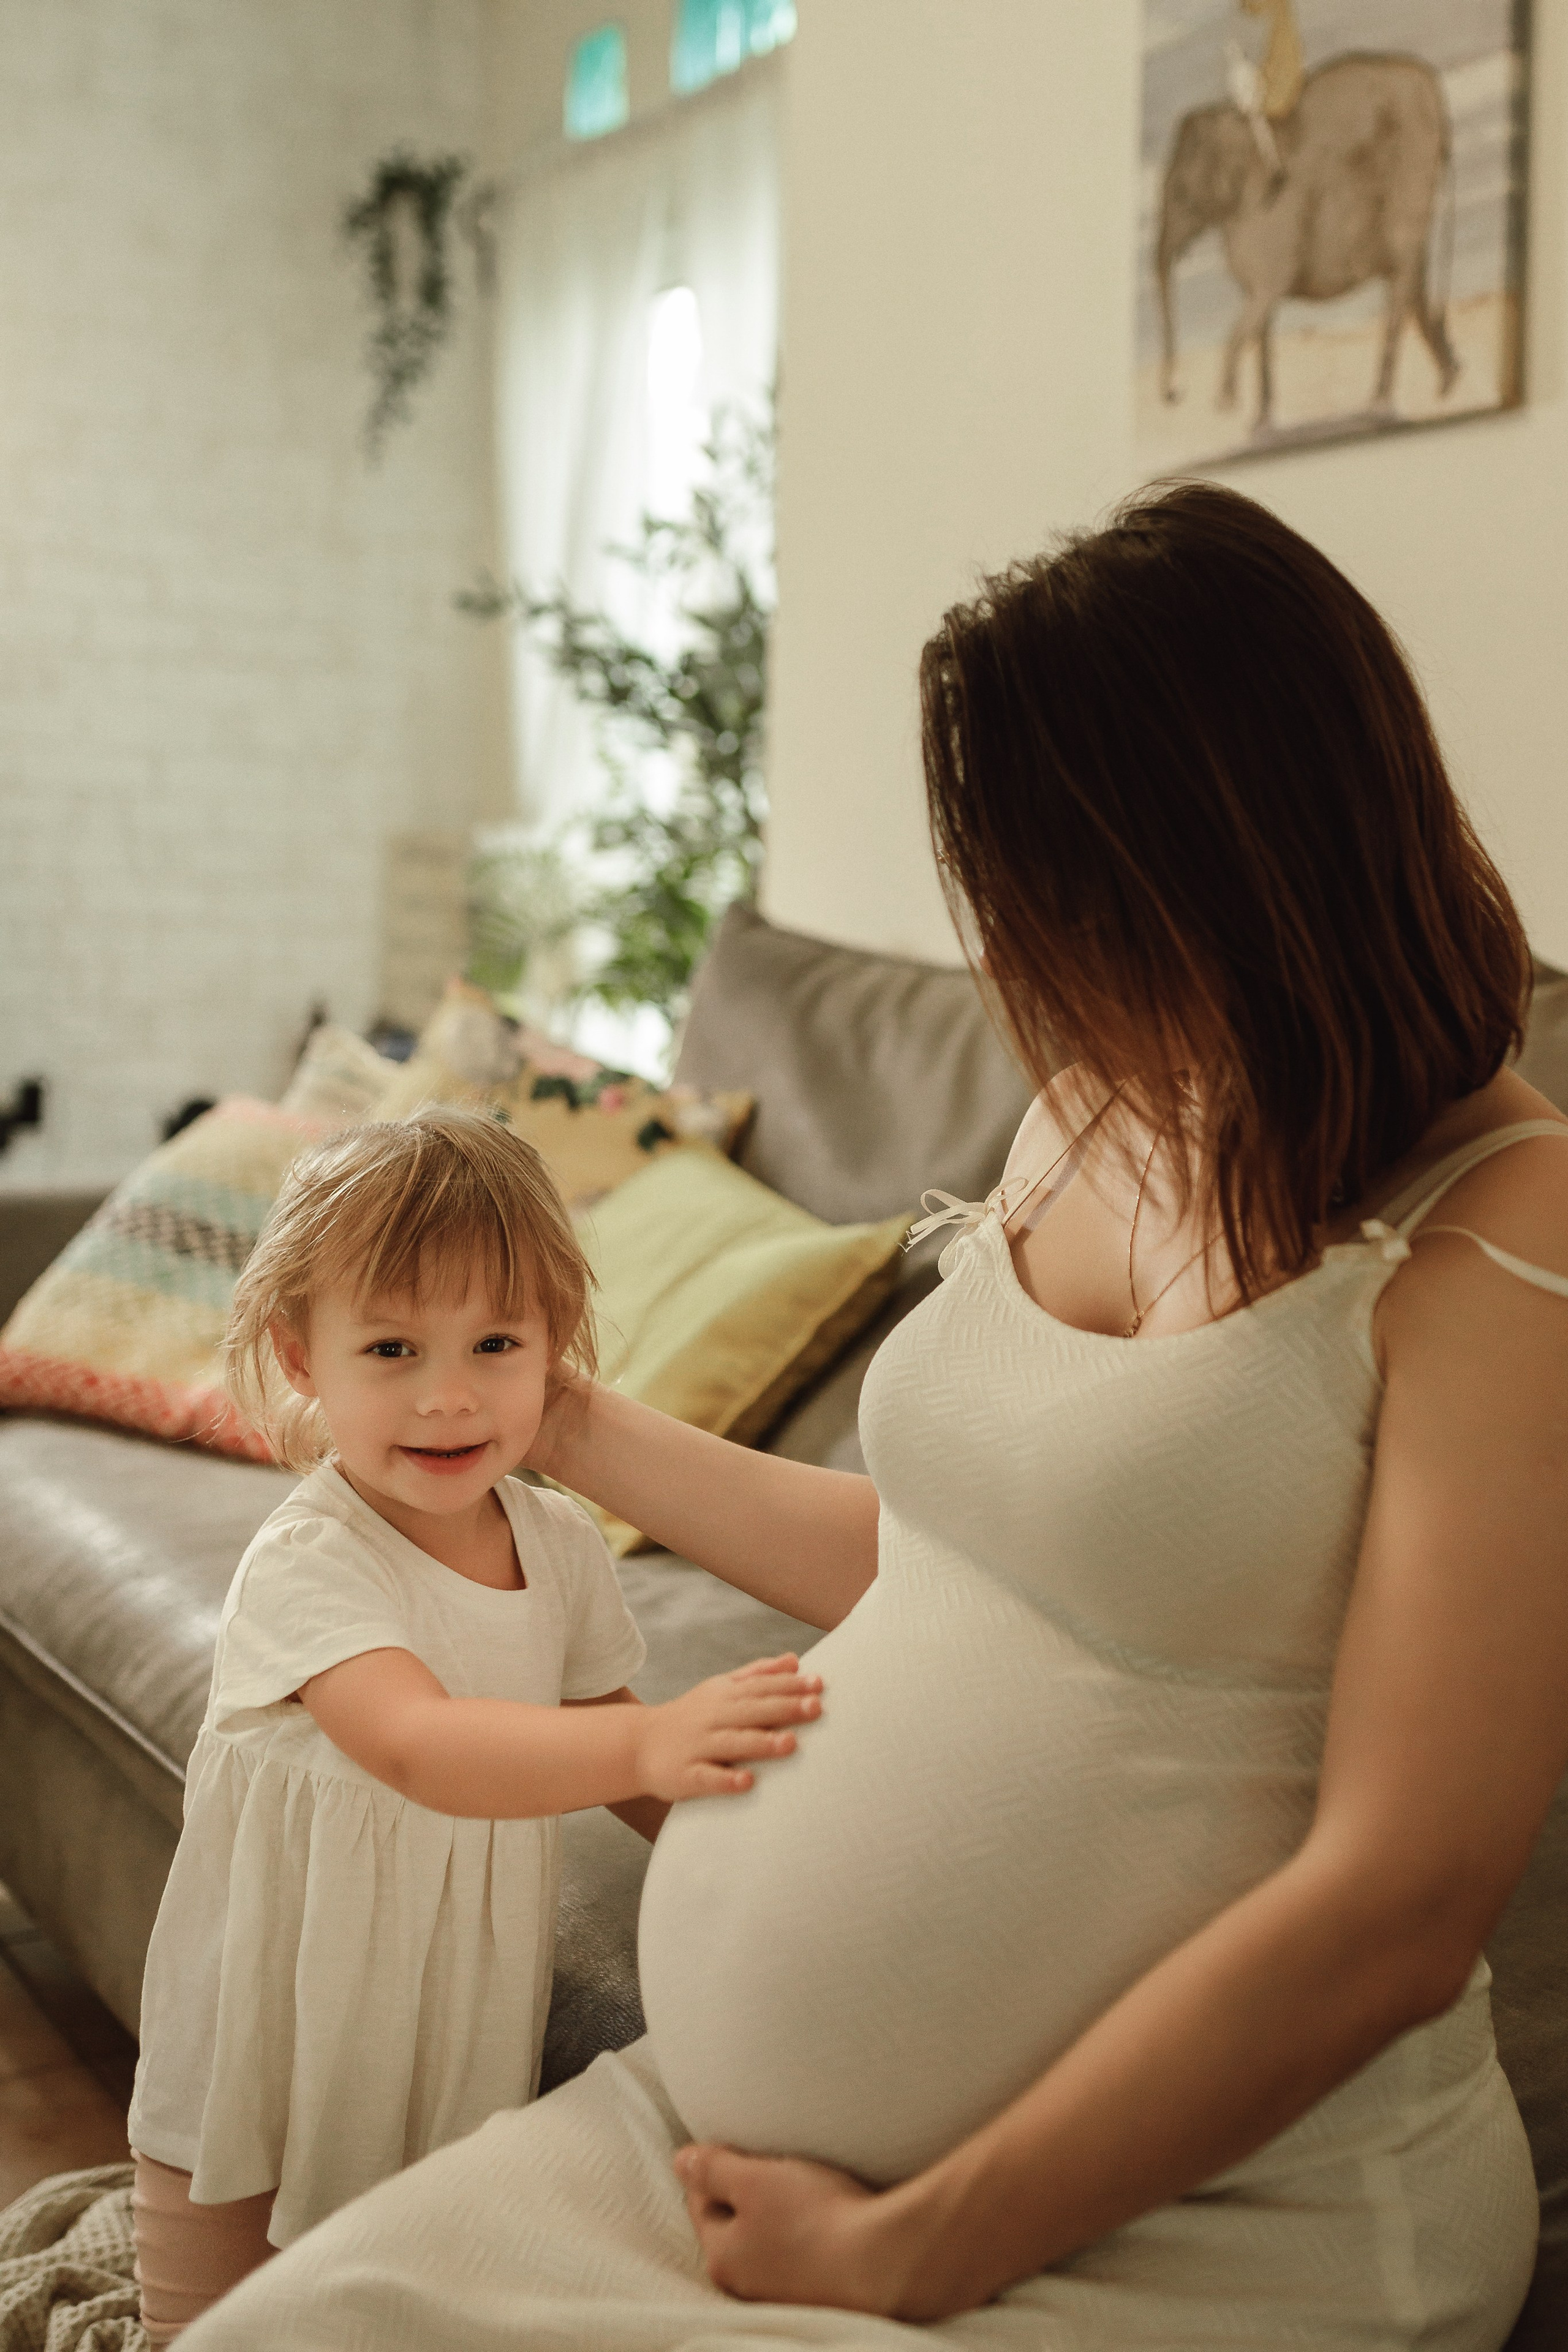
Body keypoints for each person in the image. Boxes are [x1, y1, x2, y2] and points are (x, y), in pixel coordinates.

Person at [183, 483, 1568, 2350]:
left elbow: (1402, 1900)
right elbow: (944, 1560)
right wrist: (567, 1425)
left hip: (1186, 2230)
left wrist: (911, 2252)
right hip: (737, 2146)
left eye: (1048, 906)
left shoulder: (1508, 1240)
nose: (1007, 964)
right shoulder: (1098, 1102)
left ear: (1228, 870)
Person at [125, 1107, 823, 2343]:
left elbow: (604, 1725)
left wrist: (744, 1847)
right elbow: (418, 1745)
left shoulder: (555, 1542)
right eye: (390, 1349)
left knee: (386, 2276)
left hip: (445, 1996)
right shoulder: (311, 1560)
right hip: (275, 1993)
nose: (447, 1398)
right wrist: (648, 1742)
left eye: (493, 1343)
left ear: (554, 1354)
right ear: (302, 1361)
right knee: (202, 2307)